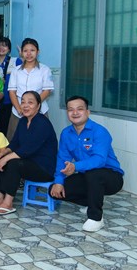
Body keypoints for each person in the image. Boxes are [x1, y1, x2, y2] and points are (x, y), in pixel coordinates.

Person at [50, 96, 125, 232]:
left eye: (80, 109)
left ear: (88, 112)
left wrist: (75, 167)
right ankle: (91, 201)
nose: (75, 113)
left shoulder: (99, 131)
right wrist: (59, 182)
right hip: (87, 176)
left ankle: (96, 218)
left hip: (111, 177)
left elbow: (99, 160)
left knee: (94, 174)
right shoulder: (66, 133)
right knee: (55, 190)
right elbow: (62, 159)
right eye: (70, 110)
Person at [0, 91, 58, 215]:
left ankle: (8, 202)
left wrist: (5, 158)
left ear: (38, 105)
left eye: (30, 102)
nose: (25, 105)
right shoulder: (23, 121)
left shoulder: (42, 123)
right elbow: (15, 143)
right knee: (3, 158)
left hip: (43, 168)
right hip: (28, 163)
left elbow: (27, 149)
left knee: (12, 163)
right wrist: (3, 153)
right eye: (23, 102)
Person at [7, 38, 54, 141]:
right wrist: (19, 109)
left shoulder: (45, 70)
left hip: (40, 111)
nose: (29, 54)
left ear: (38, 52)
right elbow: (12, 91)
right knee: (14, 141)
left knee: (40, 140)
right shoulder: (16, 70)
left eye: (32, 50)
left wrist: (34, 106)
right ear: (21, 52)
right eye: (25, 51)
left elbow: (47, 90)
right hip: (18, 112)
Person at [0, 37, 22, 136]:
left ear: (9, 49)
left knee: (6, 128)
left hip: (9, 100)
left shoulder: (15, 61)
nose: (1, 48)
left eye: (5, 46)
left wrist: (23, 58)